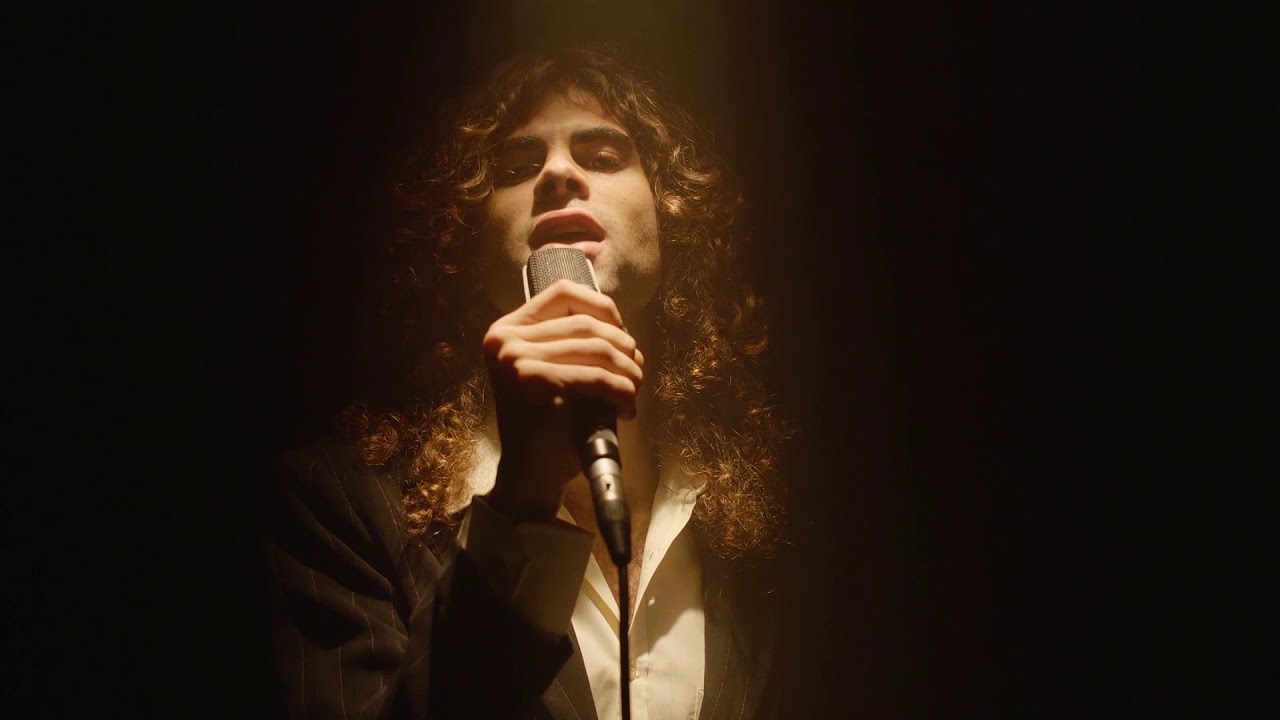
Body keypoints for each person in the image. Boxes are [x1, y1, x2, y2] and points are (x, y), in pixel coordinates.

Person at [264, 47, 793, 719]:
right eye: (515, 169)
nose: (558, 174)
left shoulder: (750, 517)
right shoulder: (343, 500)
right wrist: (520, 500)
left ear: (671, 215)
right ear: (467, 242)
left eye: (604, 156)